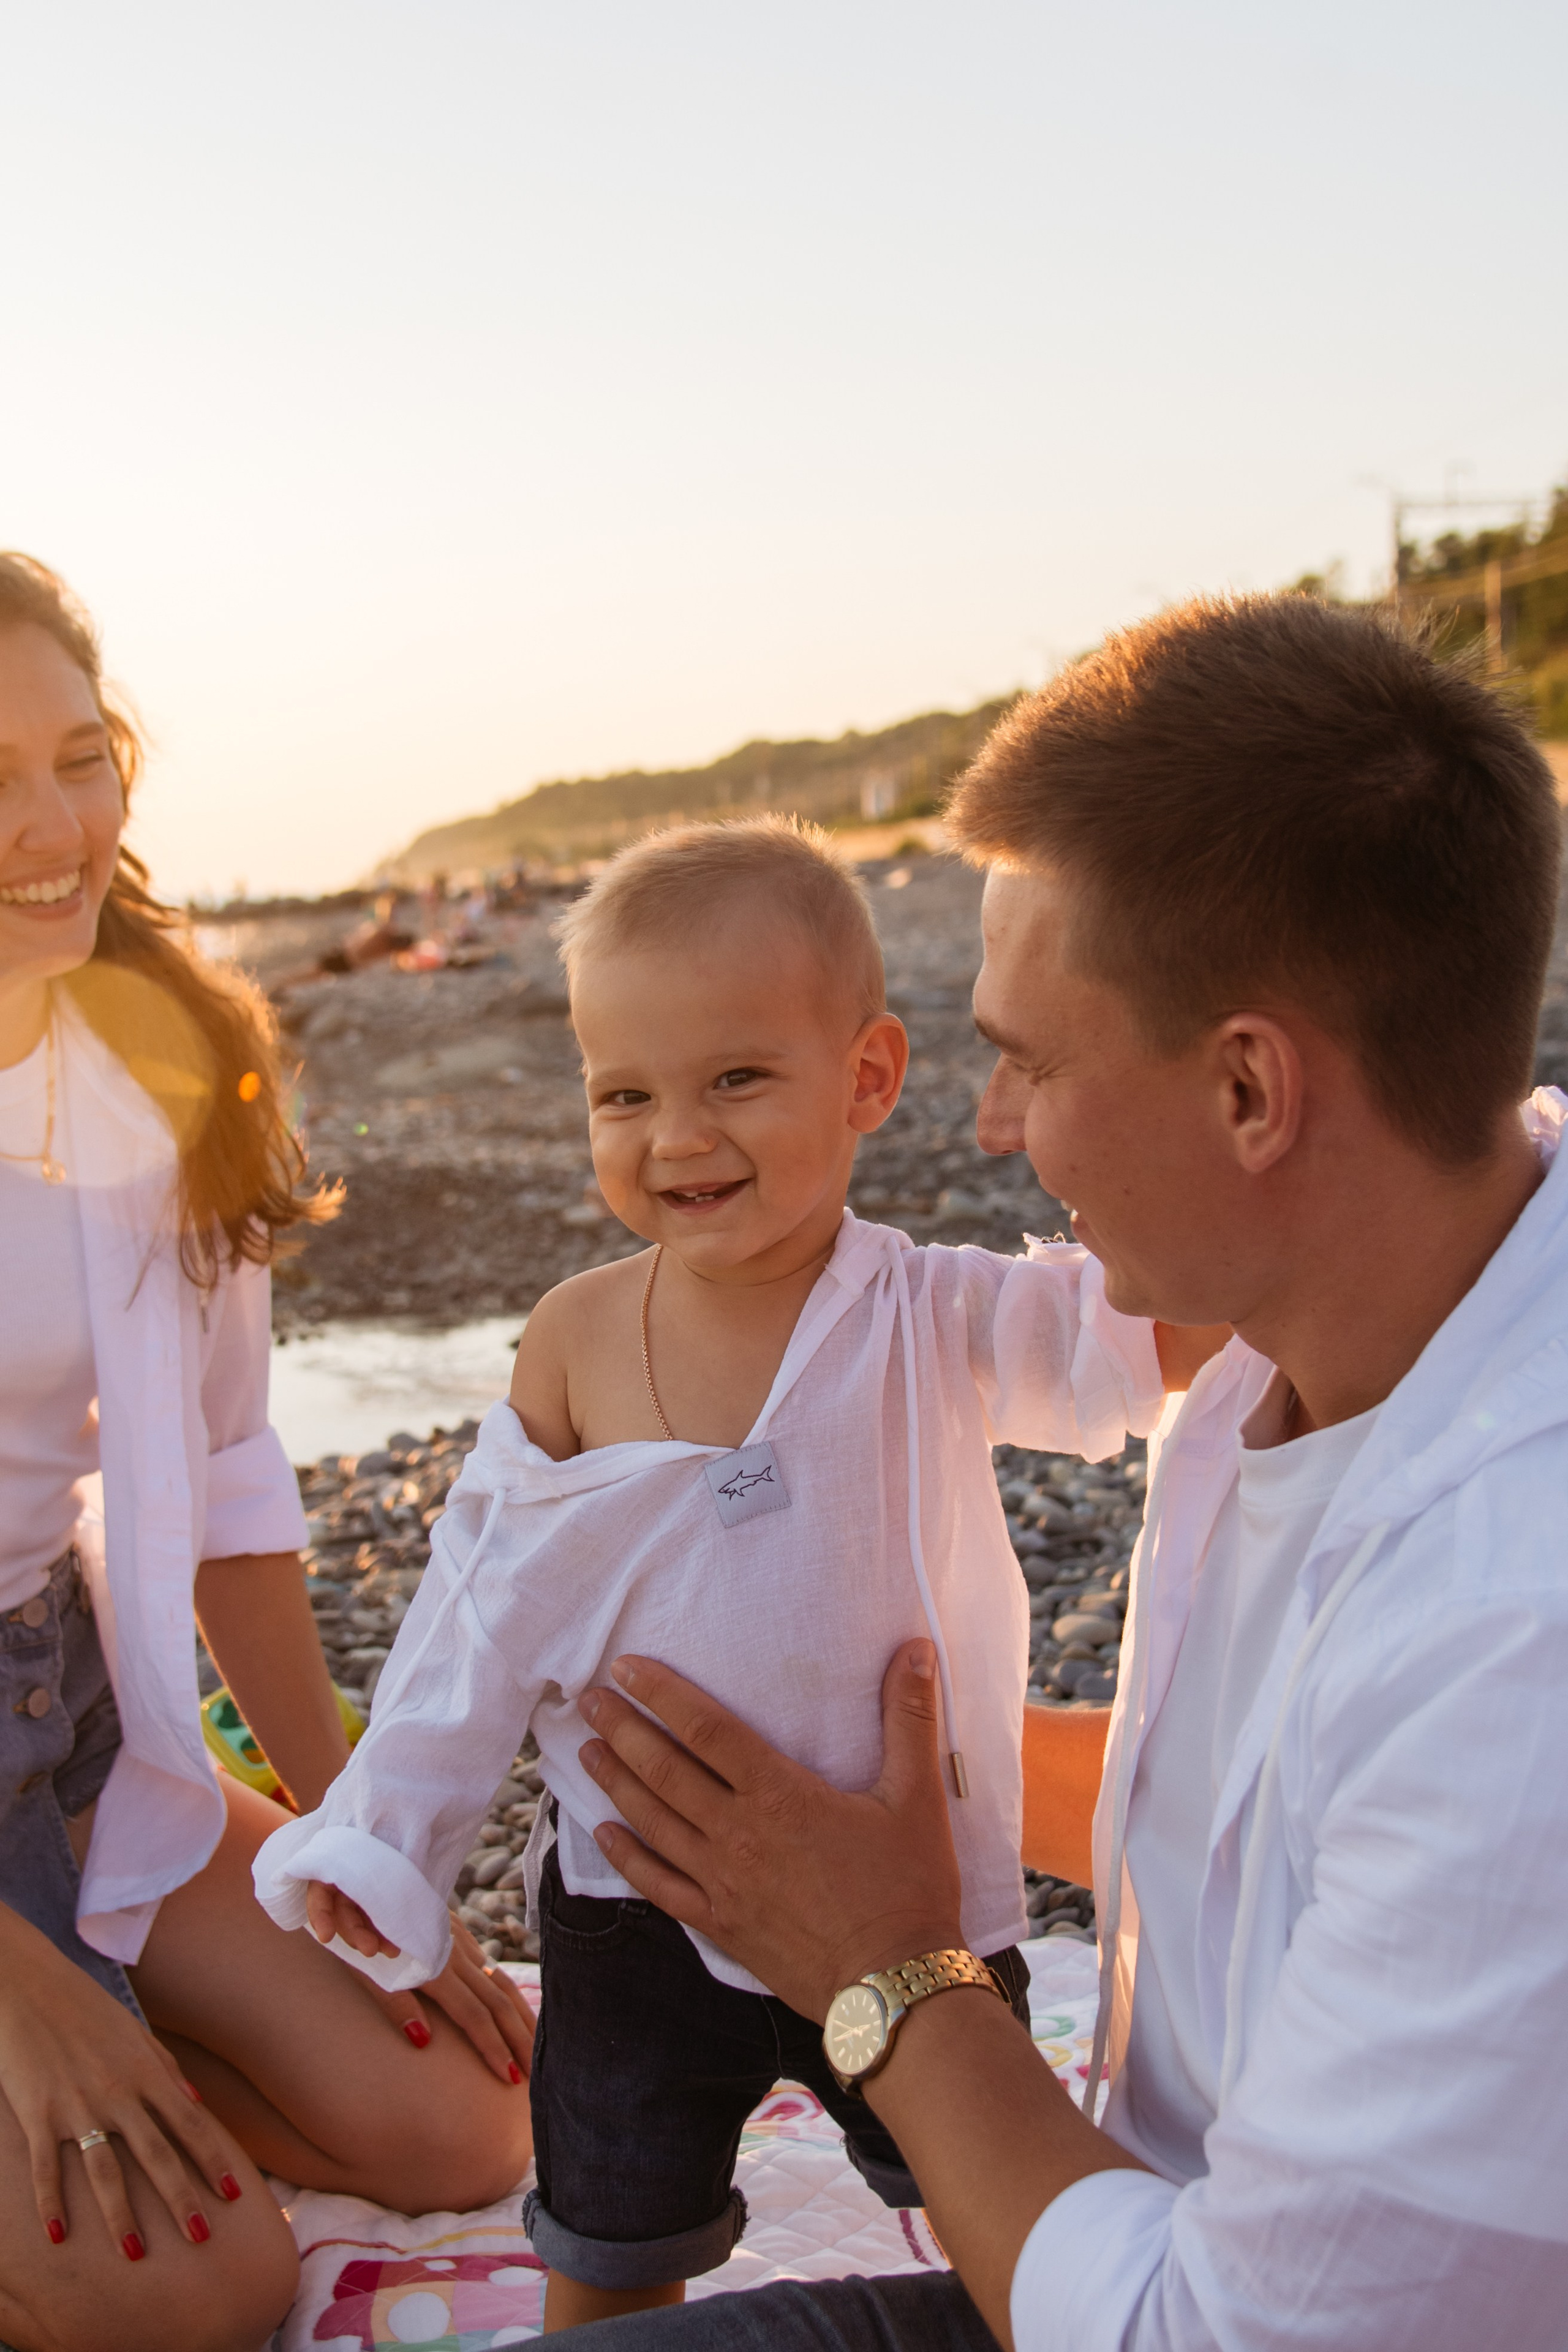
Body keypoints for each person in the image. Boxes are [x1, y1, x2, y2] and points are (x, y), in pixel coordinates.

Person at [551, 597, 1568, 2349]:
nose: (990, 1126)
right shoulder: (1332, 1295)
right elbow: (1279, 1792)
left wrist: (887, 1971)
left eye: (1027, 1057)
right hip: (1143, 2231)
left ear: (1251, 1090)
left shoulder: (1516, 1631)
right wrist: (833, 1785)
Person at [252, 816, 1207, 2332]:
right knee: (612, 2233)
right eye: (623, 1095)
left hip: (910, 1889)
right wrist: (387, 1840)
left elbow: (1129, 1346)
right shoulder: (573, 1333)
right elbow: (478, 1607)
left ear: (868, 1080)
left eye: (735, 1081)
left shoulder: (926, 1311)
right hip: (636, 1905)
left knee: (986, 2209)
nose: (676, 1139)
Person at [0, 556, 534, 2352]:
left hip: (55, 1715)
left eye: (81, 757)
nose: (53, 825)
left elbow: (228, 1478)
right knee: (212, 2295)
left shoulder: (155, 1069)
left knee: (461, 2124)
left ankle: (119, 2061)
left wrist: (360, 1836)